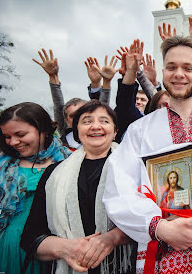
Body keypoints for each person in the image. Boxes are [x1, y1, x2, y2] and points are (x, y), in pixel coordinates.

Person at [103, 35, 192, 274]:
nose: (179, 74)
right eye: (171, 67)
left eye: (187, 68)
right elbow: (119, 188)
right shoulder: (140, 130)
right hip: (161, 243)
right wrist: (159, 228)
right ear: (163, 72)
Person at [20, 100, 133, 274]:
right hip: (71, 267)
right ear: (77, 132)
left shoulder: (134, 168)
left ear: (115, 131)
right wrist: (66, 248)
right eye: (87, 121)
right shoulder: (54, 174)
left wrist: (112, 238)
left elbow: (150, 222)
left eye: (104, 121)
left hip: (124, 266)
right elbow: (31, 238)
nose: (95, 126)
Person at [0, 102, 71, 274]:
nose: (13, 142)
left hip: (55, 247)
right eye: (7, 136)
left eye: (20, 134)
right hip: (11, 247)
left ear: (44, 130)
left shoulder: (69, 161)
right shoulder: (3, 166)